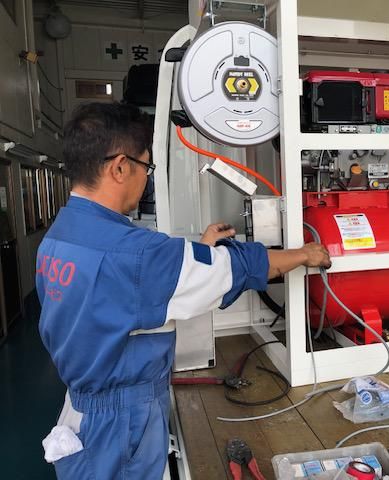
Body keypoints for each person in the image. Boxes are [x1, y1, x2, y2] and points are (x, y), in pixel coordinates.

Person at [36, 102, 331, 479]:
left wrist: (200, 251)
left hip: (83, 409)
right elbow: (233, 268)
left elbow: (122, 292)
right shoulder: (134, 255)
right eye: (146, 168)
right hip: (121, 426)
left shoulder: (59, 237)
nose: (146, 179)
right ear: (120, 167)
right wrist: (303, 254)